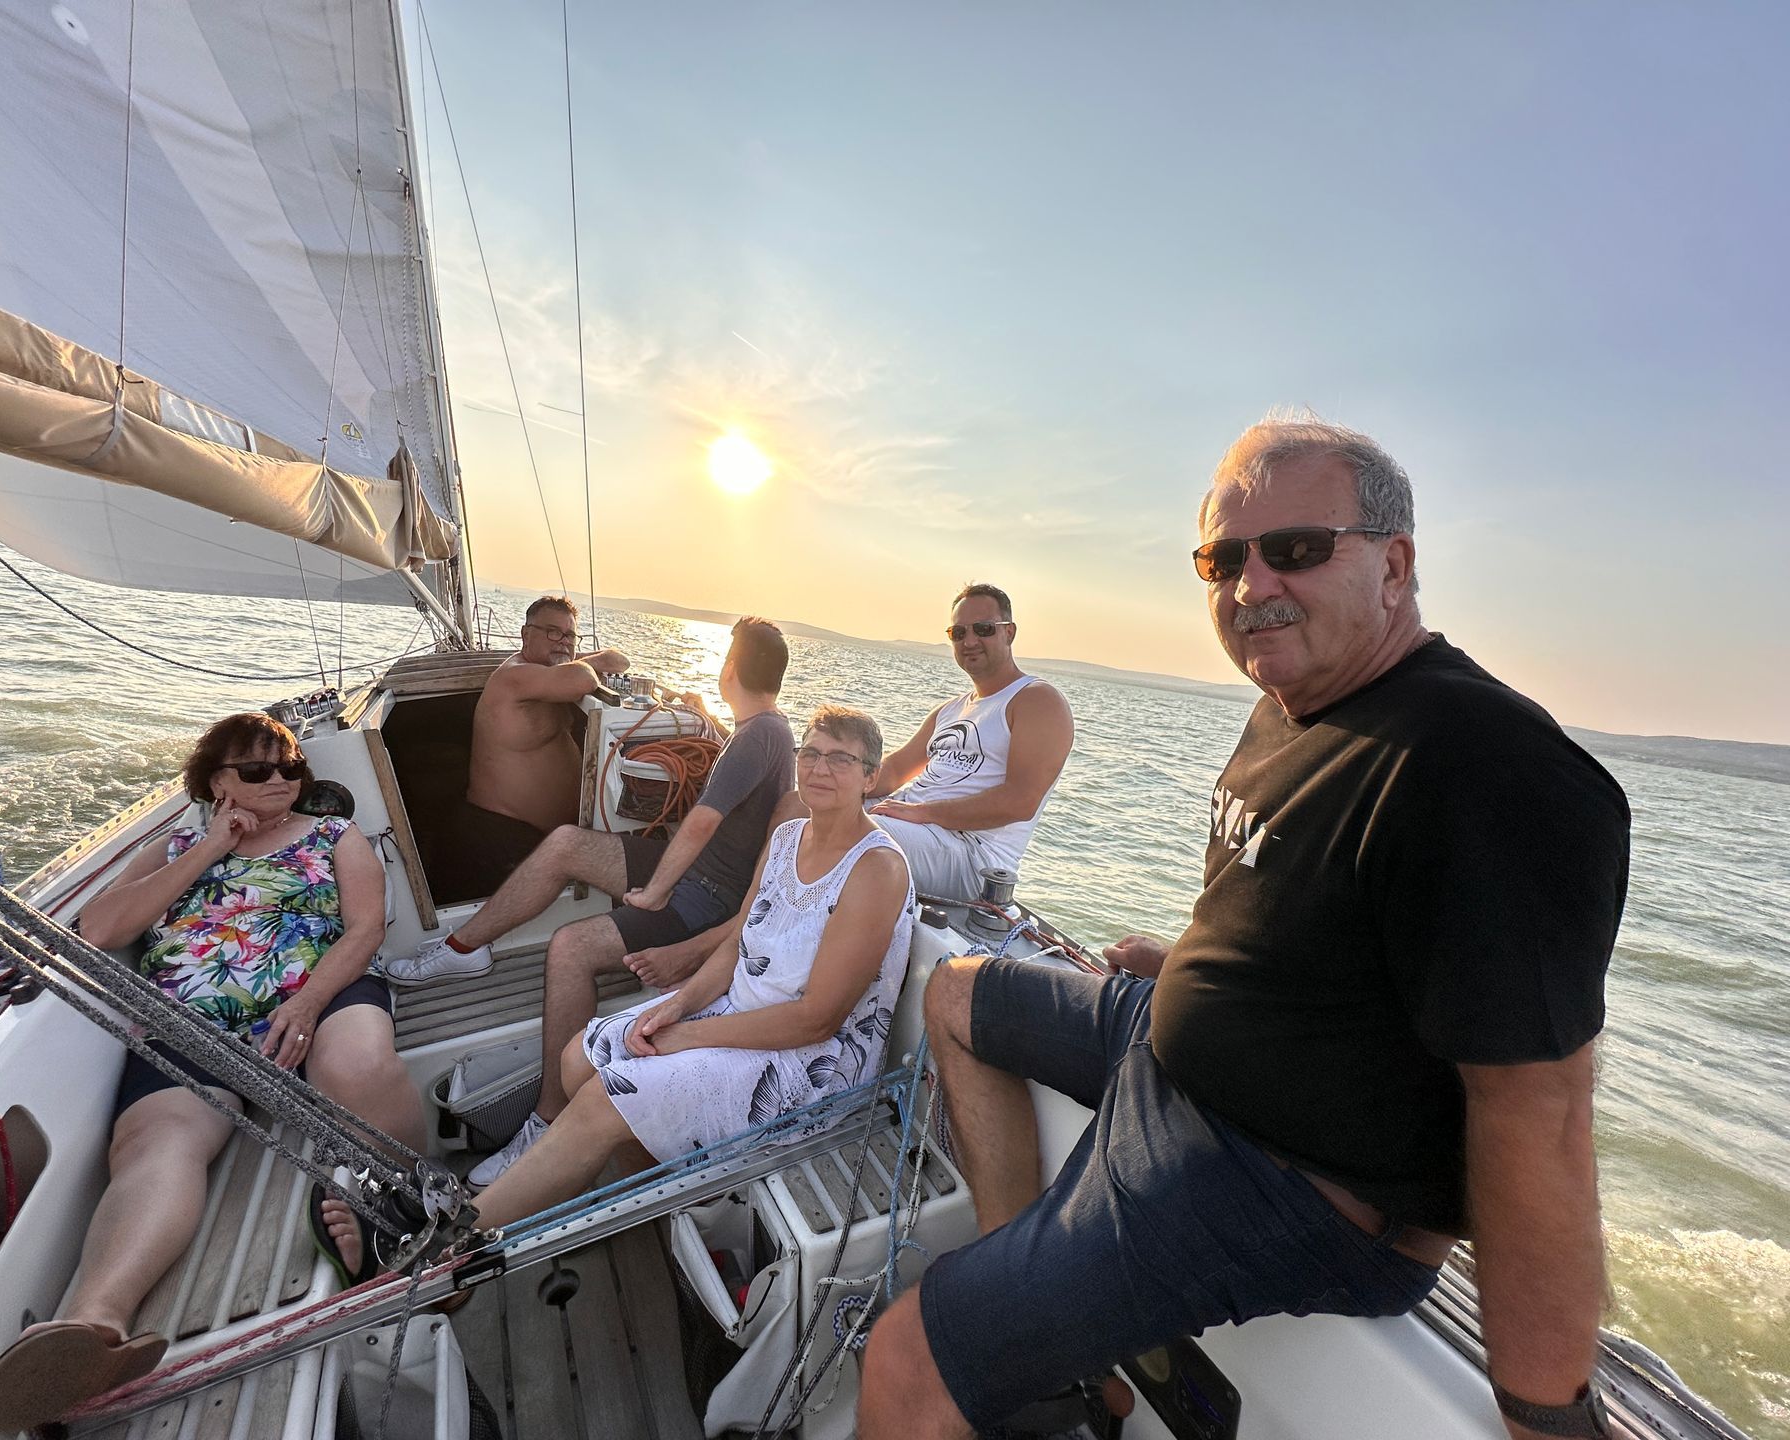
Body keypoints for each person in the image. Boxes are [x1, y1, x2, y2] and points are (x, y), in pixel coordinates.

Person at [859, 416, 1632, 1440]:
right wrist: (1182, 967)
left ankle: (1003, 1332)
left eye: (1298, 550)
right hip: (1176, 1051)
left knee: (906, 1360)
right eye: (1221, 559)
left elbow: (1541, 1117)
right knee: (953, 991)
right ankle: (1042, 1360)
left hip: (1277, 1178)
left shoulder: (1483, 766)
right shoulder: (1292, 697)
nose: (1251, 584)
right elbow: (1324, 928)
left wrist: (1548, 1417)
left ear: (1394, 564)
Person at [0, 714, 424, 1433]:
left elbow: (365, 928)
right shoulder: (173, 843)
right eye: (257, 770)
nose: (279, 780)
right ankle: (94, 1328)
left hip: (318, 994)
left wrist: (307, 1005)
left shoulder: (335, 837)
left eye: (290, 769)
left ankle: (412, 1210)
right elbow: (103, 929)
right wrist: (212, 847)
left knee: (359, 1066)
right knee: (158, 1145)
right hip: (190, 1022)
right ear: (217, 782)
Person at [410, 705, 915, 1234]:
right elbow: (744, 938)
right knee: (578, 1058)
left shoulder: (875, 868)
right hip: (739, 1012)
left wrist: (685, 1037)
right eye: (810, 753)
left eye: (840, 759)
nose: (819, 768)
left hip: (810, 1064)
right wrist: (680, 1003)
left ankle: (455, 1246)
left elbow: (816, 1021)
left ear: (870, 777)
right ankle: (615, 1203)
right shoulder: (788, 836)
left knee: (607, 1096)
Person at [385, 618, 797, 1185]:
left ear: (731, 668)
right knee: (564, 846)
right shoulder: (756, 732)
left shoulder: (762, 736)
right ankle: (463, 947)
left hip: (706, 896)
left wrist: (654, 892)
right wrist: (700, 708)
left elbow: (701, 822)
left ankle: (549, 1118)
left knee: (571, 947)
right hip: (692, 871)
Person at [865, 583, 1074, 899]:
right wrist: (837, 776)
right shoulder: (950, 709)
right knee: (796, 805)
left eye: (984, 629)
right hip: (913, 825)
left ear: (1009, 633)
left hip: (970, 853)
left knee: (848, 831)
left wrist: (924, 812)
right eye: (958, 633)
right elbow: (894, 771)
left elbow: (1021, 801)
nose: (970, 641)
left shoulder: (1036, 701)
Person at [434, 595, 630, 899]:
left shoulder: (548, 676)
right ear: (526, 635)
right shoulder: (514, 676)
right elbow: (581, 680)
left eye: (569, 635)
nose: (563, 642)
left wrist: (571, 657)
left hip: (538, 839)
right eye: (552, 632)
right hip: (498, 837)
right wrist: (581, 663)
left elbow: (619, 661)